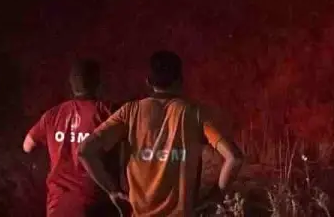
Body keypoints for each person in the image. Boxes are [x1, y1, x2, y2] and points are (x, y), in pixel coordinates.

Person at [79, 50, 244, 217]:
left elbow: (85, 151)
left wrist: (113, 190)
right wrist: (214, 197)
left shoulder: (129, 112)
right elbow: (234, 158)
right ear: (180, 80)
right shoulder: (195, 113)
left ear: (148, 81)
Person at [24, 59, 121, 217]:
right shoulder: (107, 112)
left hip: (58, 205)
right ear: (97, 82)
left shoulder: (52, 114)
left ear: (71, 84)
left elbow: (27, 146)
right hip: (96, 204)